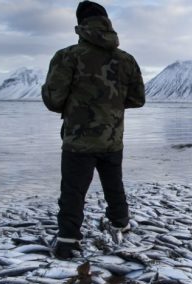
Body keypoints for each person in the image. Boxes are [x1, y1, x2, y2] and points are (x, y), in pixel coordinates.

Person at [42, 0, 145, 259]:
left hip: (79, 139)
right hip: (112, 137)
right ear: (107, 22)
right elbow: (137, 99)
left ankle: (68, 241)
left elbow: (54, 100)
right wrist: (110, 107)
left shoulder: (67, 56)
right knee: (114, 184)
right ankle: (120, 223)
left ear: (80, 25)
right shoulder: (127, 60)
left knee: (73, 190)